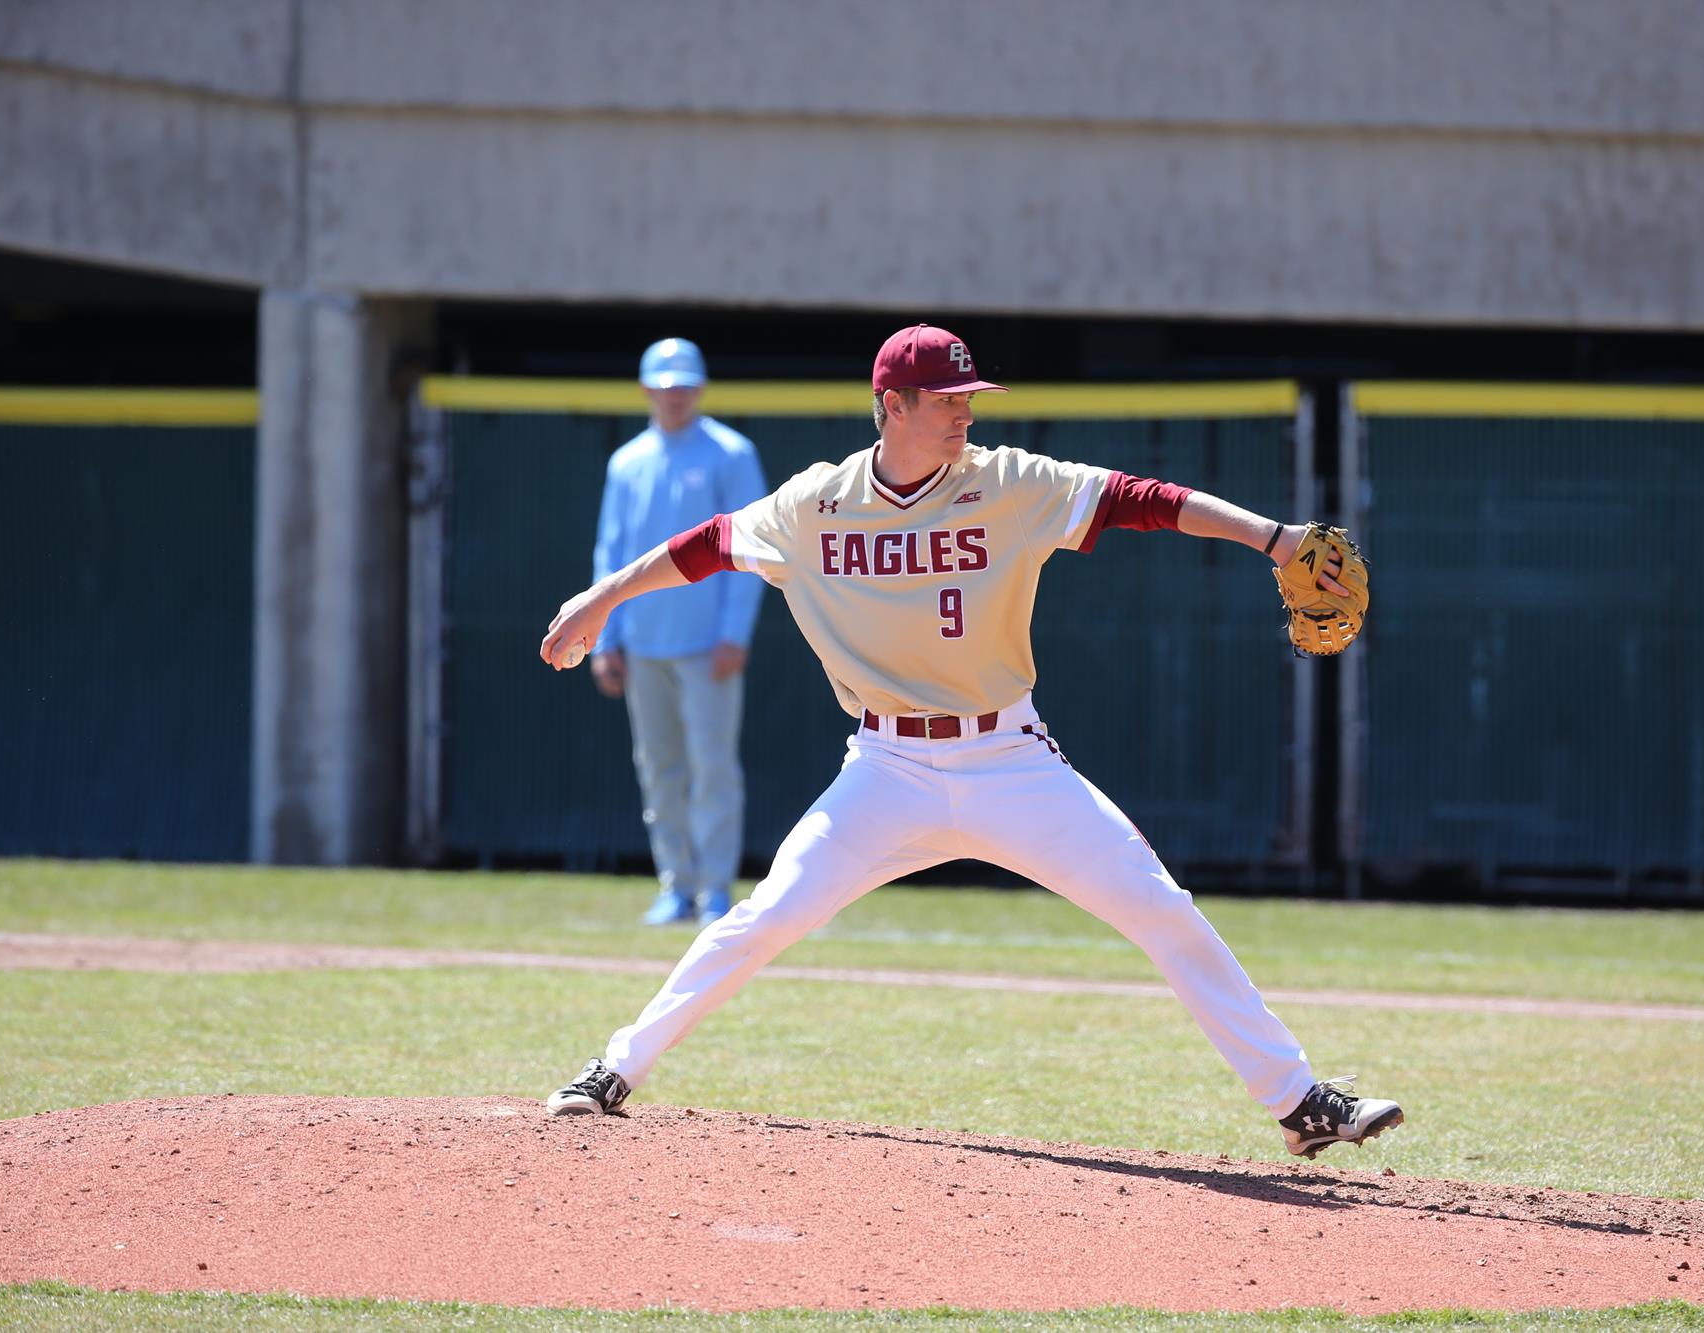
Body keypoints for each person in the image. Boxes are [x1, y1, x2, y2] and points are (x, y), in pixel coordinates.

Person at [538, 324, 1403, 1159]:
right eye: (949, 397)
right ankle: (615, 1068)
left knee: (1160, 908)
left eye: (970, 395)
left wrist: (1274, 537)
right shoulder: (816, 504)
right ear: (894, 404)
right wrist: (599, 599)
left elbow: (1147, 500)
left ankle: (1298, 1101)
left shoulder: (1010, 481)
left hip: (1010, 761)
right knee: (764, 917)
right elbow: (707, 546)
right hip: (885, 768)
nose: (967, 411)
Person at [590, 337, 768, 926]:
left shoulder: (731, 454)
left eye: (684, 385)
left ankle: (716, 888)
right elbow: (611, 555)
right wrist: (606, 639)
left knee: (713, 765)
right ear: (647, 391)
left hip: (706, 646)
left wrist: (733, 633)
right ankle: (676, 886)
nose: (674, 396)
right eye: (665, 386)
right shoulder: (626, 463)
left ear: (699, 389)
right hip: (643, 645)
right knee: (658, 766)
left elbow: (750, 549)